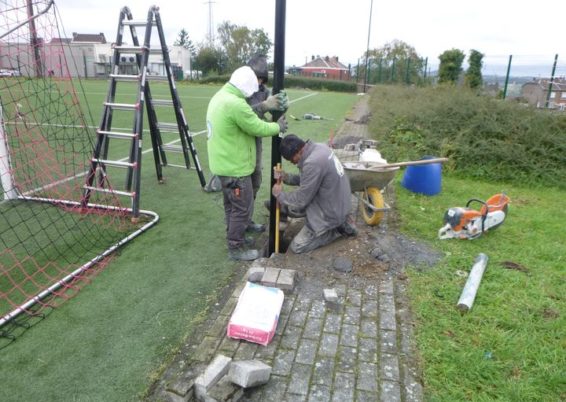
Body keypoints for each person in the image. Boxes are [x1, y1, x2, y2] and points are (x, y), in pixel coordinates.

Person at [206, 66, 288, 261]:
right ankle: (235, 247)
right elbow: (256, 126)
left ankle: (236, 236)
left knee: (231, 207)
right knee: (241, 208)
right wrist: (278, 127)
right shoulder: (236, 104)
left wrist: (265, 107)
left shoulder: (220, 97)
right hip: (236, 168)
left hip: (222, 166)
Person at [271, 134, 357, 254]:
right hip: (337, 202)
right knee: (294, 208)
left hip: (331, 212)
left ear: (298, 151)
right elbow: (308, 179)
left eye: (291, 159)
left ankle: (336, 230)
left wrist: (279, 195)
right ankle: (338, 221)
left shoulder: (313, 162)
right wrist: (286, 177)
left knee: (297, 247)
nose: (292, 163)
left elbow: (301, 200)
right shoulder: (319, 148)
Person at [245, 54, 288, 233]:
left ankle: (246, 221)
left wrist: (282, 105)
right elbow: (244, 115)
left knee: (256, 180)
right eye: (257, 78)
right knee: (242, 185)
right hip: (242, 140)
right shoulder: (242, 91)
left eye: (262, 79)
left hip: (256, 140)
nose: (260, 82)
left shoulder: (263, 90)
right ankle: (238, 225)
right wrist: (263, 106)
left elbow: (274, 110)